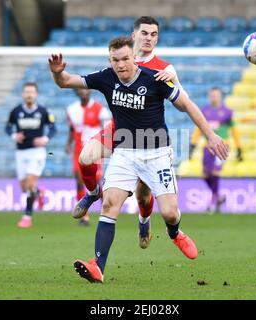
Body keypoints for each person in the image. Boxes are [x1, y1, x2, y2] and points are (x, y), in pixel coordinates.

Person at [49, 36, 228, 283]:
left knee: (169, 212)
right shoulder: (105, 77)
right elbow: (66, 82)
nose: (121, 65)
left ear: (134, 57)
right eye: (115, 60)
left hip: (157, 153)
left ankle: (174, 232)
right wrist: (58, 74)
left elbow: (186, 104)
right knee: (110, 204)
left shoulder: (154, 79)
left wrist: (210, 135)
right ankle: (98, 266)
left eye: (125, 59)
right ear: (109, 60)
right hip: (125, 152)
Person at [73, 16, 186, 249]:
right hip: (118, 128)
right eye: (144, 33)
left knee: (143, 196)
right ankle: (93, 193)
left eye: (154, 35)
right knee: (85, 157)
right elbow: (101, 77)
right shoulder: (120, 58)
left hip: (146, 137)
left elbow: (182, 100)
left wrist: (174, 79)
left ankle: (144, 220)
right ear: (134, 36)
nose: (149, 38)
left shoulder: (164, 69)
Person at [5, 82, 57, 228]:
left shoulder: (43, 111)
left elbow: (53, 128)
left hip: (37, 152)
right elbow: (8, 127)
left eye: (32, 92)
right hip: (20, 152)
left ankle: (27, 217)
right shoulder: (16, 111)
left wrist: (45, 139)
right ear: (23, 94)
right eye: (27, 92)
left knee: (29, 183)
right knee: (24, 187)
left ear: (36, 94)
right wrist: (14, 136)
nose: (29, 94)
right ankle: (39, 193)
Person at [190, 87, 242, 213]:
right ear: (209, 97)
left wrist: (240, 147)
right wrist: (193, 144)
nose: (214, 98)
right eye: (212, 96)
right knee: (205, 175)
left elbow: (234, 130)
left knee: (215, 173)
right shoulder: (204, 111)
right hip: (208, 147)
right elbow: (198, 129)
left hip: (222, 146)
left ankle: (212, 202)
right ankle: (218, 197)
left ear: (220, 97)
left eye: (216, 96)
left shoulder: (227, 112)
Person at [65, 88, 111, 226]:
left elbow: (108, 129)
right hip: (78, 148)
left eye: (85, 89)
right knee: (79, 180)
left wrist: (108, 146)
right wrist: (68, 143)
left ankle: (106, 212)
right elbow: (72, 129)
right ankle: (84, 216)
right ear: (76, 92)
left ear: (90, 91)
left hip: (94, 148)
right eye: (79, 90)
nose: (83, 92)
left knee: (97, 181)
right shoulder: (71, 110)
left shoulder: (100, 109)